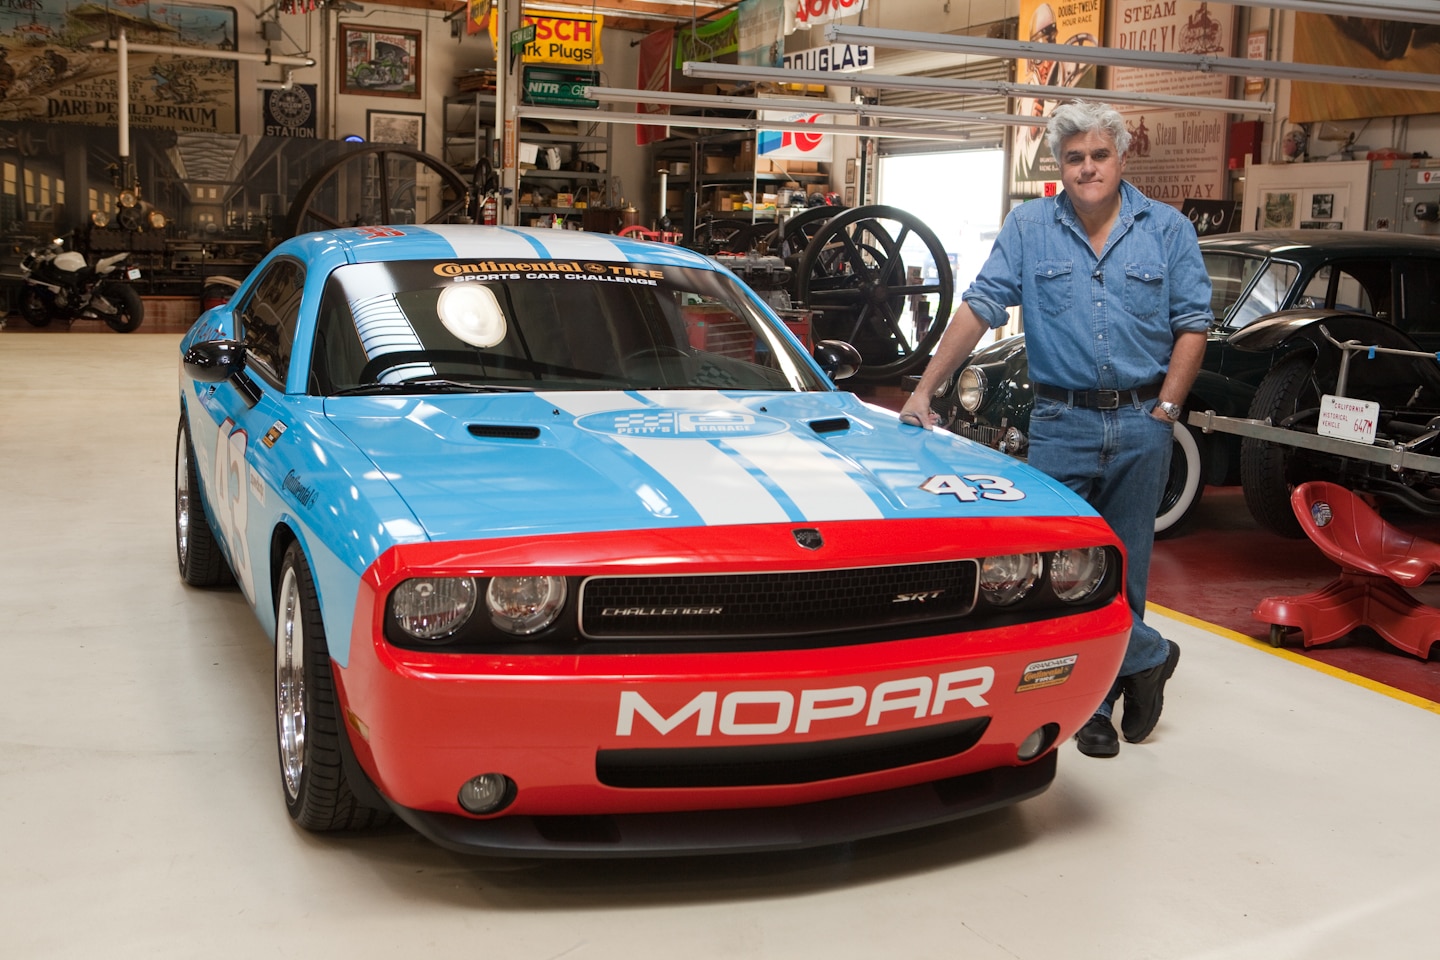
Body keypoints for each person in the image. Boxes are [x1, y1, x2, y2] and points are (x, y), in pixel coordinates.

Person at [900, 100, 1211, 758]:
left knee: (1123, 570)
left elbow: (1193, 323)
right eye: (1075, 158)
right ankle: (1146, 656)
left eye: (1100, 155)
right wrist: (925, 389)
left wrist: (1167, 410)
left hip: (1140, 422)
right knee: (1054, 571)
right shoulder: (1030, 226)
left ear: (1122, 159)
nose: (1088, 168)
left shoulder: (1169, 229)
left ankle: (1095, 706)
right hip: (1060, 423)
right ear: (1058, 166)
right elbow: (981, 305)